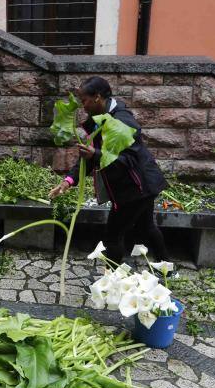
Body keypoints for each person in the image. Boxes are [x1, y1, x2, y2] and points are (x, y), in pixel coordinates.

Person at [48, 76, 169, 263]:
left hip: (136, 187)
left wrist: (95, 154)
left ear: (97, 97)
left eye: (85, 101)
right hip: (139, 184)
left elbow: (128, 159)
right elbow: (88, 158)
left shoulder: (122, 120)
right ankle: (167, 268)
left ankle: (113, 281)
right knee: (147, 227)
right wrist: (68, 181)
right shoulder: (97, 119)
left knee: (113, 235)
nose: (83, 106)